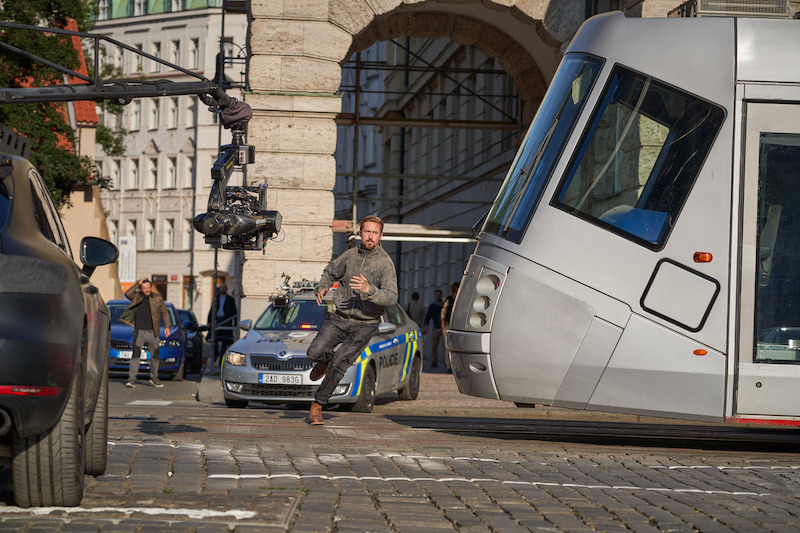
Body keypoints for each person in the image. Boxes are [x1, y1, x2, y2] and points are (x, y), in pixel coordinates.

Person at [306, 215, 398, 426]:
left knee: (340, 363)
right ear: (360, 232)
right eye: (367, 231)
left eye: (375, 233)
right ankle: (325, 359)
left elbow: (392, 297)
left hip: (365, 323)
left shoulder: (385, 264)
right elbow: (330, 272)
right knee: (313, 352)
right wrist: (321, 287)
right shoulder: (348, 256)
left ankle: (318, 405)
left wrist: (370, 290)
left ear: (380, 236)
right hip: (340, 318)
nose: (370, 236)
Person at [120, 278, 171, 388]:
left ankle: (154, 377)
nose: (147, 290)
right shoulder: (137, 296)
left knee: (155, 356)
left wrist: (167, 327)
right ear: (141, 289)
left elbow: (165, 312)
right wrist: (137, 284)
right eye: (144, 288)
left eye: (148, 288)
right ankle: (132, 379)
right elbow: (128, 293)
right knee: (135, 356)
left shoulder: (157, 298)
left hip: (153, 332)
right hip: (139, 332)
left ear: (151, 287)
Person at [207, 282, 238, 362]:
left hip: (226, 321)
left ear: (226, 289)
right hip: (218, 321)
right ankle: (216, 353)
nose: (222, 289)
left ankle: (221, 358)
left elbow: (234, 312)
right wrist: (209, 322)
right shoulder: (216, 298)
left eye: (224, 287)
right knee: (215, 339)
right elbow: (211, 311)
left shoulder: (230, 299)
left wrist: (235, 324)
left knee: (225, 340)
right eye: (221, 288)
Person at [440, 281, 460, 374]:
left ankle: (457, 366)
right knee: (447, 347)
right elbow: (443, 311)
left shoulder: (462, 299)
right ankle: (448, 366)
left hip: (457, 326)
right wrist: (442, 323)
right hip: (448, 325)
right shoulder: (448, 299)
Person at [423, 289, 443, 367]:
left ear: (441, 295)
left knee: (445, 346)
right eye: (436, 294)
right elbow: (427, 317)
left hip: (443, 327)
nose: (437, 296)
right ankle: (434, 361)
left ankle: (447, 363)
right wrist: (426, 326)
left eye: (439, 294)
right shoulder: (432, 306)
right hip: (435, 327)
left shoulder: (444, 304)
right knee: (434, 345)